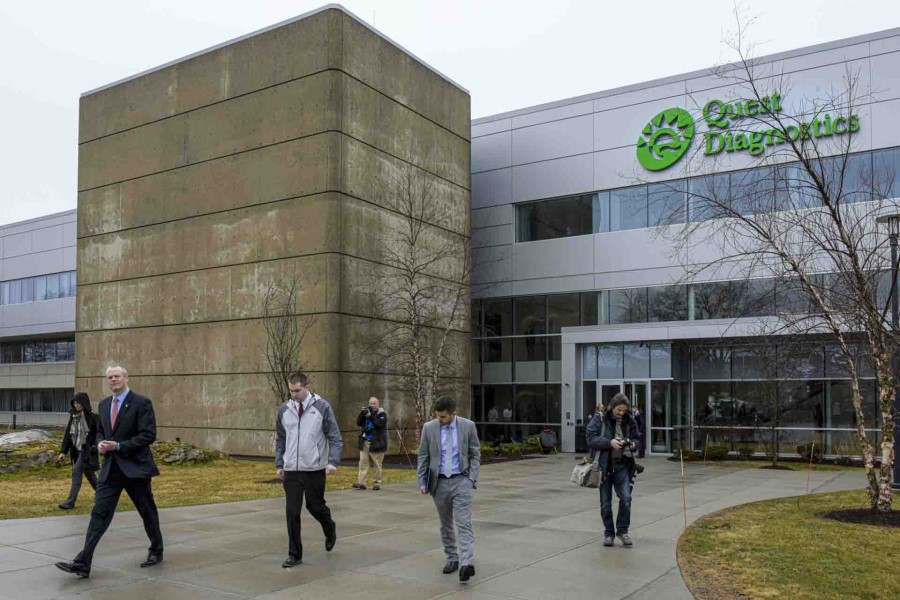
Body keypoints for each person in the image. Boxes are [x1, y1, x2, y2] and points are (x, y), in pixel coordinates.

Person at [56, 365, 164, 579]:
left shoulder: (141, 403)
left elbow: (148, 434)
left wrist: (120, 446)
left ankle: (156, 550)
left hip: (135, 469)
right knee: (99, 514)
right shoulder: (104, 404)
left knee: (147, 511)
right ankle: (83, 562)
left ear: (126, 377)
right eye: (109, 377)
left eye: (117, 376)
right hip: (110, 469)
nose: (113, 379)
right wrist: (100, 444)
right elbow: (100, 432)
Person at [275, 372, 342, 568]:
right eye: (291, 391)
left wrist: (332, 462)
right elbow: (281, 439)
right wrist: (280, 464)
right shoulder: (285, 410)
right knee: (292, 512)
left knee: (315, 507)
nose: (294, 394)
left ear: (306, 387)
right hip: (292, 470)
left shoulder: (322, 407)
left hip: (314, 469)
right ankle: (294, 554)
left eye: (297, 390)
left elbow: (335, 437)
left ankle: (329, 528)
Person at [418, 396, 481, 582]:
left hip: (461, 481)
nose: (439, 419)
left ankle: (466, 563)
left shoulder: (468, 426)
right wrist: (422, 481)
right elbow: (423, 455)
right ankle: (452, 557)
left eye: (443, 417)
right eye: (437, 416)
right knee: (445, 524)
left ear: (453, 413)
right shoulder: (429, 428)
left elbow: (475, 453)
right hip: (439, 483)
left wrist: (471, 478)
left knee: (463, 522)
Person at [586, 393, 640, 548]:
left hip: (623, 466)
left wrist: (633, 444)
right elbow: (590, 438)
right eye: (618, 410)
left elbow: (637, 439)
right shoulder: (600, 419)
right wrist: (609, 442)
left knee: (626, 499)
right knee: (605, 503)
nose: (621, 413)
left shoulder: (630, 420)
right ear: (612, 406)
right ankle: (609, 533)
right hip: (604, 467)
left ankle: (622, 531)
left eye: (624, 410)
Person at [57, 392, 99, 509]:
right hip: (77, 451)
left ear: (84, 403)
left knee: (76, 472)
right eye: (74, 403)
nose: (76, 405)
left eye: (78, 403)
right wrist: (63, 452)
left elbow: (99, 434)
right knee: (89, 473)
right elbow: (68, 435)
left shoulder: (93, 418)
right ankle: (102, 494)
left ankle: (71, 501)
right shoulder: (73, 417)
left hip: (87, 451)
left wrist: (95, 446)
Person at [353, 396, 387, 491]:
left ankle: (377, 483)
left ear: (378, 404)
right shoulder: (367, 413)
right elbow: (359, 423)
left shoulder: (382, 414)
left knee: (376, 464)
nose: (372, 405)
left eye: (374, 403)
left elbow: (379, 424)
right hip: (365, 441)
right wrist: (362, 414)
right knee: (363, 463)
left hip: (377, 443)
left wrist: (370, 416)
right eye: (371, 403)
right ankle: (361, 482)